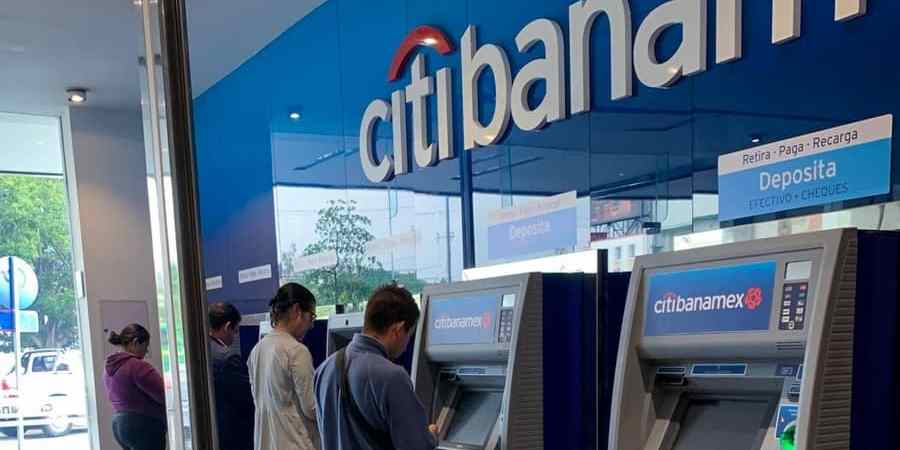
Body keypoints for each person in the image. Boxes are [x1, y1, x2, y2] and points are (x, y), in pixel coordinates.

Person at [314, 284, 437, 450]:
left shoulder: (323, 370)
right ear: (398, 329)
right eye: (409, 334)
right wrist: (430, 437)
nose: (407, 344)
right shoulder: (391, 376)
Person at [248, 283, 321, 450]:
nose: (312, 325)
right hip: (296, 444)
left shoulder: (256, 350)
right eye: (311, 317)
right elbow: (312, 408)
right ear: (297, 310)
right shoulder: (296, 350)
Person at [103, 323, 167, 450]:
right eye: (145, 346)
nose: (146, 351)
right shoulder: (137, 366)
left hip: (120, 425)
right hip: (143, 425)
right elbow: (164, 396)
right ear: (136, 342)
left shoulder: (108, 367)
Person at [209, 302, 254, 450]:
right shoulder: (228, 357)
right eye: (235, 331)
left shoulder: (203, 350)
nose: (235, 336)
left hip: (214, 429)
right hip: (233, 433)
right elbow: (246, 398)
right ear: (227, 326)